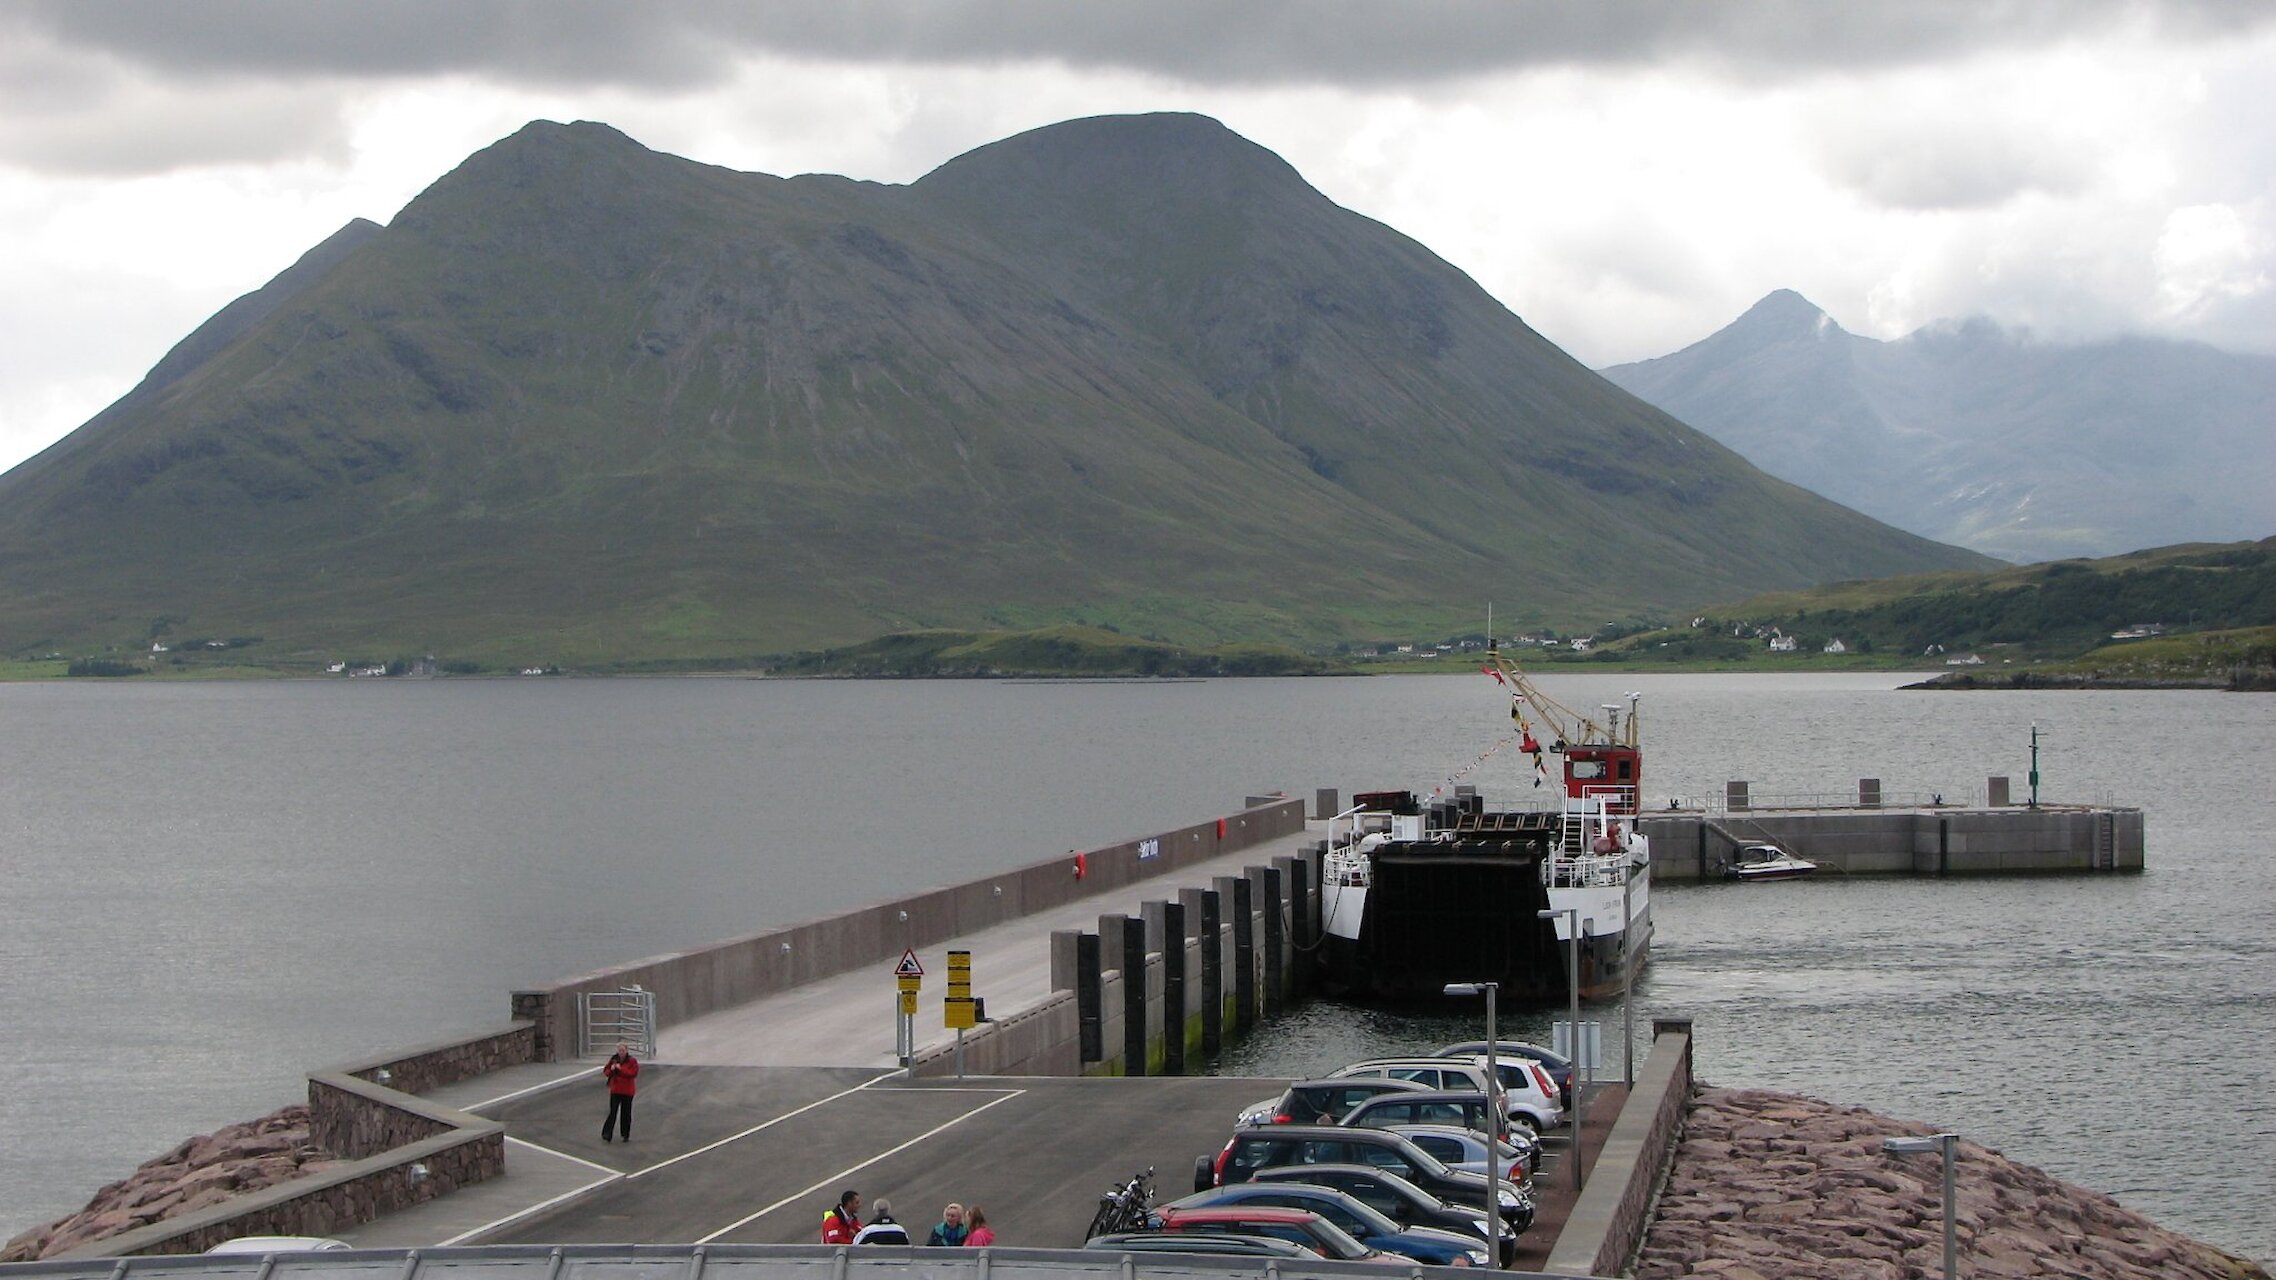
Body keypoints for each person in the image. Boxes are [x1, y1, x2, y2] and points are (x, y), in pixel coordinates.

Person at [600, 1043, 638, 1142]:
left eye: (623, 1050)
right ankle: (607, 1134)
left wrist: (621, 1069)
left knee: (626, 1113)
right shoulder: (614, 1059)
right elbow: (606, 1072)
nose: (621, 1052)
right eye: (619, 1050)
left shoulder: (632, 1061)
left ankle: (625, 1134)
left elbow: (633, 1073)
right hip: (616, 1090)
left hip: (627, 1091)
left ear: (626, 1051)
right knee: (612, 1112)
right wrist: (611, 1069)